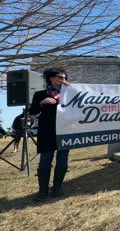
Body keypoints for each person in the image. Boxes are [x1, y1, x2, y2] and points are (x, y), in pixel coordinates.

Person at [28, 68, 69, 202]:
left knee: (62, 161)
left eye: (64, 78)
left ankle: (57, 188)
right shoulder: (40, 94)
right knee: (45, 161)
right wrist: (42, 103)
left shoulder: (70, 94)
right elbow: (33, 111)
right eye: (60, 77)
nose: (63, 80)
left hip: (65, 131)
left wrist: (74, 89)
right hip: (47, 132)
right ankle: (43, 191)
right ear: (51, 78)